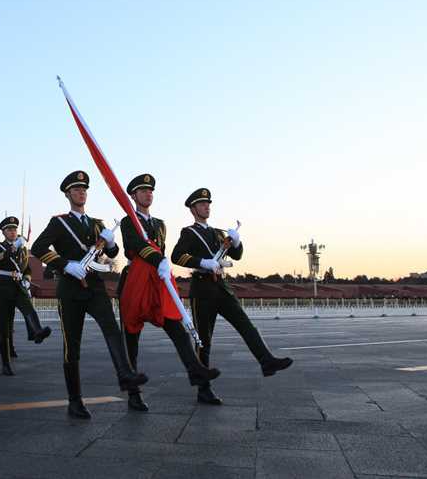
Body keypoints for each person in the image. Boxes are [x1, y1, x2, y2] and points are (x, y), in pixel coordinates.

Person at [31, 171, 148, 419]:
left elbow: (114, 254)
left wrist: (111, 241)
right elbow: (38, 248)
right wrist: (64, 264)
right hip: (70, 290)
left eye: (83, 189)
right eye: (75, 190)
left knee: (112, 329)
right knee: (72, 347)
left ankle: (125, 374)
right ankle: (75, 400)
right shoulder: (59, 222)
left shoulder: (97, 223)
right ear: (67, 194)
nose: (80, 193)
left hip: (94, 286)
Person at [171, 188, 293, 405]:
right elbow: (177, 256)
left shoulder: (218, 233)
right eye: (201, 204)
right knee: (203, 340)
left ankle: (266, 361)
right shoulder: (188, 232)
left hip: (222, 288)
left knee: (246, 325)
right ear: (193, 208)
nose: (206, 207)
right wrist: (202, 262)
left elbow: (236, 255)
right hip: (202, 289)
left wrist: (237, 242)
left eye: (208, 203)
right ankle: (203, 388)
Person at [118, 174, 219, 412]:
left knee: (176, 326)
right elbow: (134, 246)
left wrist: (160, 264)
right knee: (131, 338)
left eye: (150, 190)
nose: (148, 194)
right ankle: (134, 393)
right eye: (142, 191)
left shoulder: (160, 224)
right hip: (136, 281)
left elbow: (160, 248)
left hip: (158, 280)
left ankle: (196, 371)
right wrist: (156, 258)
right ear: (133, 196)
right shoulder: (127, 221)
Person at [0, 216, 51, 376]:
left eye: (15, 229)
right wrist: (12, 249)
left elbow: (27, 269)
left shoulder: (23, 248)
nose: (13, 232)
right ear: (4, 232)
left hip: (18, 285)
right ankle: (6, 363)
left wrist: (27, 279)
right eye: (9, 230)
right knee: (5, 326)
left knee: (29, 308)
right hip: (3, 286)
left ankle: (37, 331)